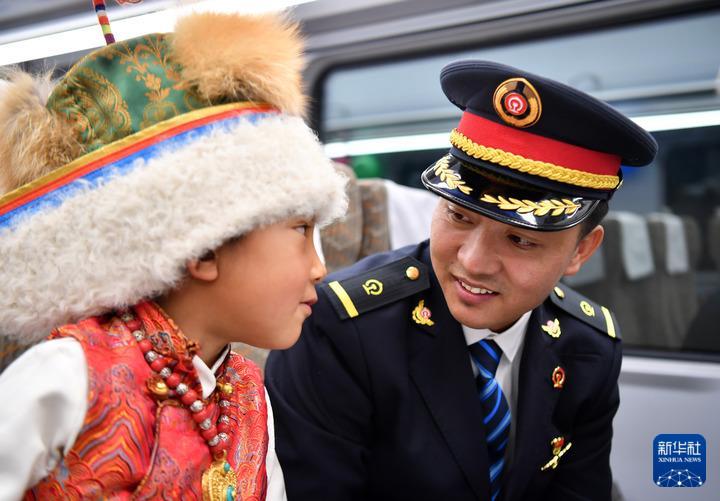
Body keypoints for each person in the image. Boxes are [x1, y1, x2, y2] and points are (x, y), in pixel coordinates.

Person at [266, 60, 657, 501]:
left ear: (582, 251)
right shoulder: (338, 331)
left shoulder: (588, 346)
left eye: (520, 240)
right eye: (459, 216)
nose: (473, 262)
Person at [0, 9, 346, 501]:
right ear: (203, 249)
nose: (319, 268)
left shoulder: (247, 392)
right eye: (300, 230)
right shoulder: (71, 373)